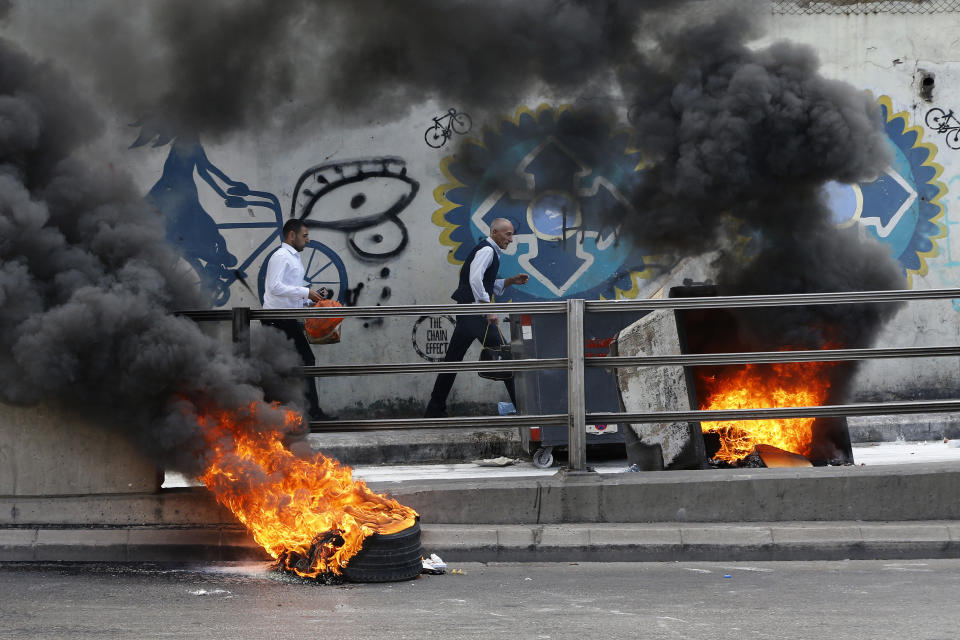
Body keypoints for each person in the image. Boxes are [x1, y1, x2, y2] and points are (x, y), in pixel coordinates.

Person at [425, 218, 529, 418]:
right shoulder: (487, 250)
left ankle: (434, 409)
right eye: (507, 234)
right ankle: (523, 409)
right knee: (505, 357)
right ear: (494, 232)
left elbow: (484, 282)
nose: (511, 239)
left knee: (452, 361)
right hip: (476, 314)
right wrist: (487, 307)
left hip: (468, 312)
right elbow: (475, 279)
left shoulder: (488, 250)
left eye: (511, 234)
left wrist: (509, 281)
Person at [262, 218, 333, 421]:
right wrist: (305, 292)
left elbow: (290, 295)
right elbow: (275, 287)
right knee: (302, 361)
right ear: (291, 235)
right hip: (277, 320)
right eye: (305, 236)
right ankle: (312, 413)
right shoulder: (281, 256)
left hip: (286, 318)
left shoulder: (293, 258)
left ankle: (285, 414)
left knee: (281, 367)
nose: (308, 240)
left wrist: (312, 300)